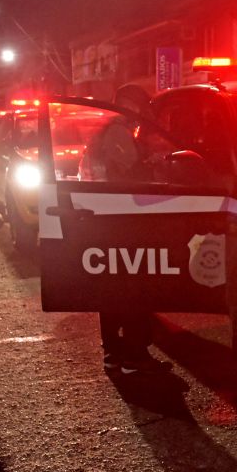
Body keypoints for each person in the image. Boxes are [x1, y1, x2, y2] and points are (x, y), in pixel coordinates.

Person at [79, 109, 173, 374]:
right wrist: (151, 163)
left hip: (105, 219)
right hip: (126, 217)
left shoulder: (103, 135)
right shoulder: (119, 133)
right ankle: (134, 355)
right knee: (133, 286)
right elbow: (128, 168)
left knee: (111, 288)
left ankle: (115, 351)